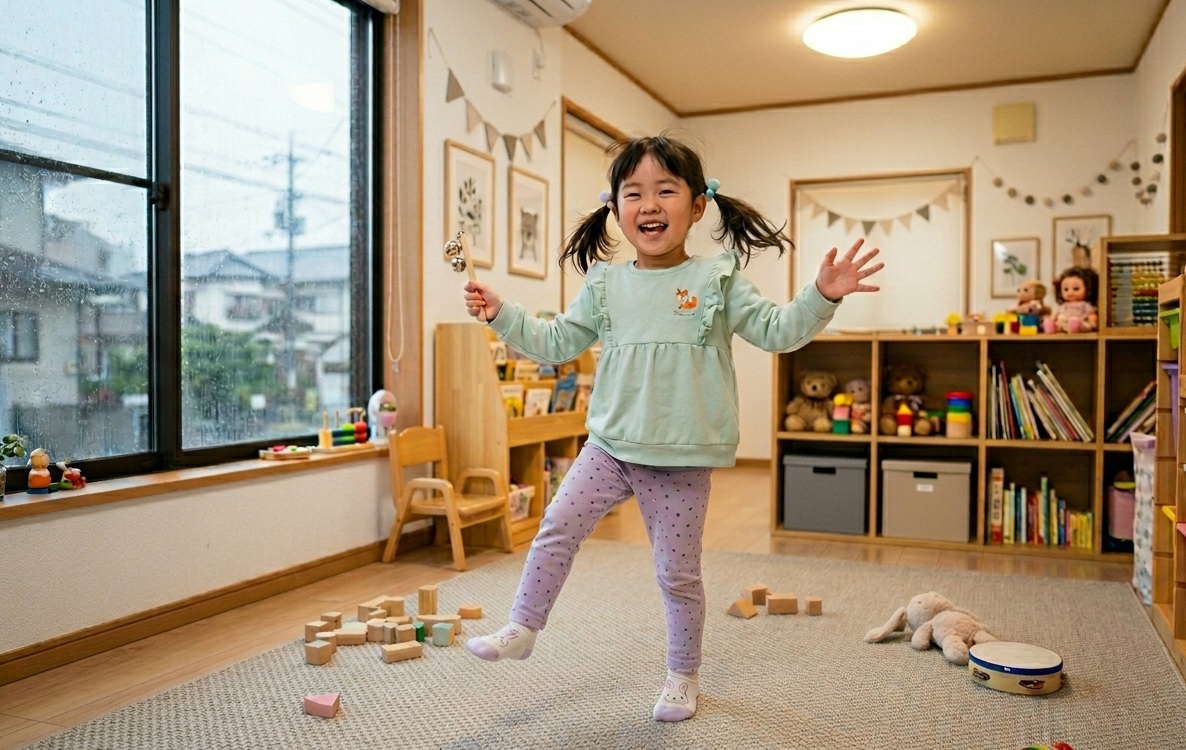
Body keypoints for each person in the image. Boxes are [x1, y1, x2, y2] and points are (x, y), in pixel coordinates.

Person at [460, 134, 883, 722]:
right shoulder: (605, 283)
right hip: (609, 446)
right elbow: (554, 343)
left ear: (698, 205)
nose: (649, 204)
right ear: (615, 208)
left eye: (666, 190)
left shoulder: (718, 279)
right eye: (633, 193)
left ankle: (682, 676)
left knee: (676, 574)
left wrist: (820, 296)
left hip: (681, 458)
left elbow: (778, 331)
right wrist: (502, 312)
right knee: (555, 526)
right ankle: (524, 626)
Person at [1051, 266, 1099, 332]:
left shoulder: (1085, 305)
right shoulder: (1064, 306)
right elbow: (1057, 314)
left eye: (1076, 288)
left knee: (1083, 325)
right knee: (1060, 322)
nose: (1070, 292)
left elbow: (1091, 314)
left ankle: (1076, 327)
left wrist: (1093, 322)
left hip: (1081, 321)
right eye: (1066, 289)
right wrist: (1052, 319)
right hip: (1065, 322)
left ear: (1089, 289)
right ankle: (1053, 327)